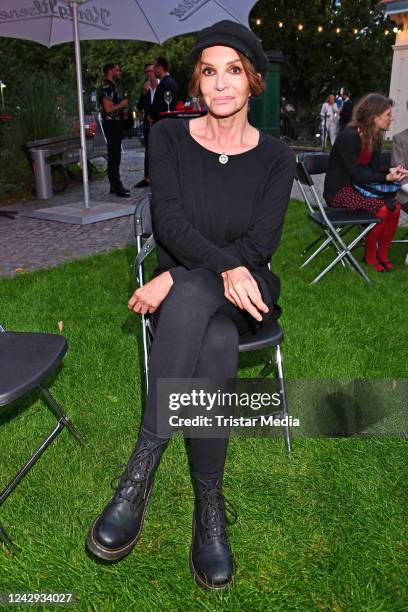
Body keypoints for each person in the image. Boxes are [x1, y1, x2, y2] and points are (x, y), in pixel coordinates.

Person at [86, 20, 295, 591]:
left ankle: (140, 469)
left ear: (252, 82)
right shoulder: (171, 138)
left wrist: (175, 278)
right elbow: (170, 223)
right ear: (197, 84)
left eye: (233, 71)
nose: (221, 84)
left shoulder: (276, 157)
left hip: (249, 286)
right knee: (216, 338)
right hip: (195, 285)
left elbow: (258, 247)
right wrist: (188, 274)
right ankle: (209, 506)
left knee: (200, 294)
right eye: (209, 71)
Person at [324, 93, 408, 271]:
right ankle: (370, 255)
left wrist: (390, 171)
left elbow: (373, 169)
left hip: (360, 188)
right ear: (374, 116)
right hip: (340, 192)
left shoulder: (375, 137)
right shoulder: (349, 136)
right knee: (383, 209)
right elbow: (356, 174)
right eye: (388, 115)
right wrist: (386, 177)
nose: (391, 118)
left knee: (396, 207)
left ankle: (383, 254)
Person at [99, 62, 130, 197]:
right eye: (117, 70)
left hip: (115, 123)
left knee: (115, 155)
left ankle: (114, 184)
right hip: (111, 125)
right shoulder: (106, 87)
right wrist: (121, 104)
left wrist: (123, 112)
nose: (119, 72)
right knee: (114, 155)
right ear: (110, 71)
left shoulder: (112, 86)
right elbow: (108, 108)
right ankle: (116, 185)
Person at [135, 63, 158, 189]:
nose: (149, 74)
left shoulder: (162, 85)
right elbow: (139, 106)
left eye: (151, 70)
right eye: (147, 72)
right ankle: (147, 177)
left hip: (159, 121)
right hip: (148, 123)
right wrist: (144, 93)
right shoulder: (146, 88)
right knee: (148, 150)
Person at [149, 56, 178, 122]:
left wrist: (152, 115)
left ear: (160, 67)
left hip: (164, 123)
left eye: (154, 67)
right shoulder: (168, 82)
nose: (153, 70)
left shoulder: (166, 83)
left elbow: (164, 106)